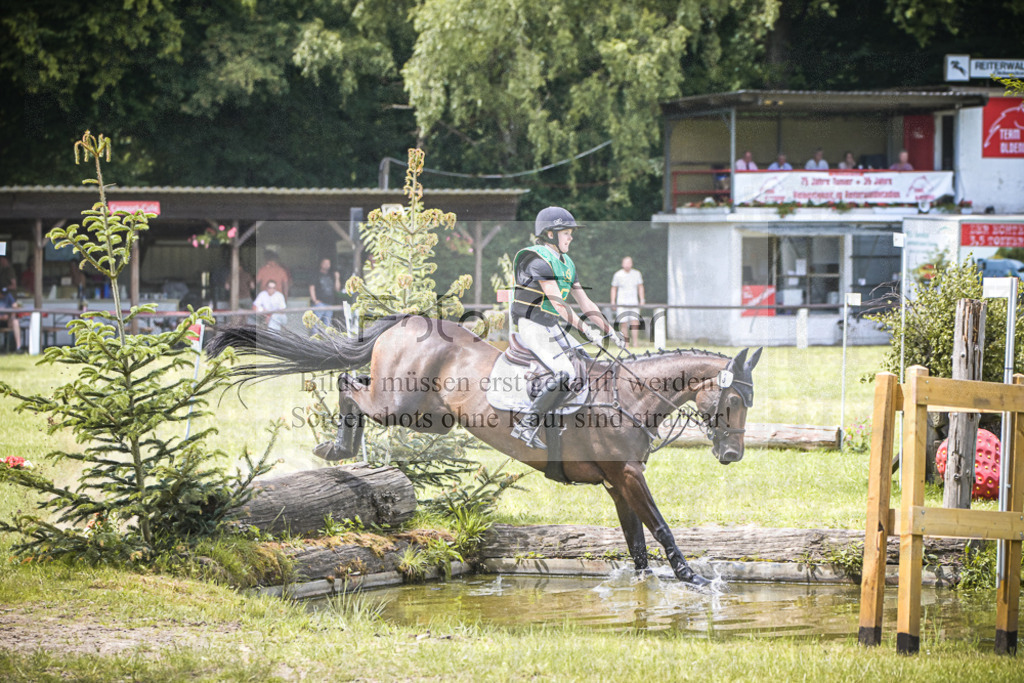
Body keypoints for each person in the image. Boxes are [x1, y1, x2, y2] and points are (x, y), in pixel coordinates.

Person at [510, 207, 624, 448]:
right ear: (550, 234)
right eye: (566, 233)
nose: (571, 237)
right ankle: (526, 425)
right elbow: (559, 304)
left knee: (586, 360)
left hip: (551, 326)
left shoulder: (567, 263)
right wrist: (585, 329)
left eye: (571, 233)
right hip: (532, 325)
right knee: (566, 373)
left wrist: (608, 330)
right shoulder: (537, 261)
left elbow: (585, 301)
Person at [610, 256, 645, 347]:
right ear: (622, 264)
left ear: (632, 264)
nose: (627, 265)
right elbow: (614, 288)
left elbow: (640, 287)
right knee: (623, 323)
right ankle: (626, 343)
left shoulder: (637, 273)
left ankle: (635, 343)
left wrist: (642, 299)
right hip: (621, 301)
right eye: (625, 263)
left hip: (633, 301)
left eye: (629, 263)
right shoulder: (618, 274)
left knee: (634, 322)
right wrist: (613, 301)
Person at [309, 258, 342, 327]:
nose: (327, 265)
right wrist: (315, 300)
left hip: (329, 304)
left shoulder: (331, 275)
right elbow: (312, 287)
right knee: (316, 325)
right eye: (325, 263)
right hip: (320, 303)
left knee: (327, 325)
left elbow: (337, 289)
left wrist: (337, 278)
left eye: (328, 264)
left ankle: (325, 338)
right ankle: (314, 337)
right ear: (321, 264)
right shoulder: (316, 275)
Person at [0, 287, 24, 352]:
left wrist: (16, 306)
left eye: (5, 294)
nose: (3, 295)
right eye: (2, 294)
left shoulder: (8, 295)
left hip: (7, 321)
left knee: (15, 321)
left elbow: (14, 305)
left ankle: (18, 347)